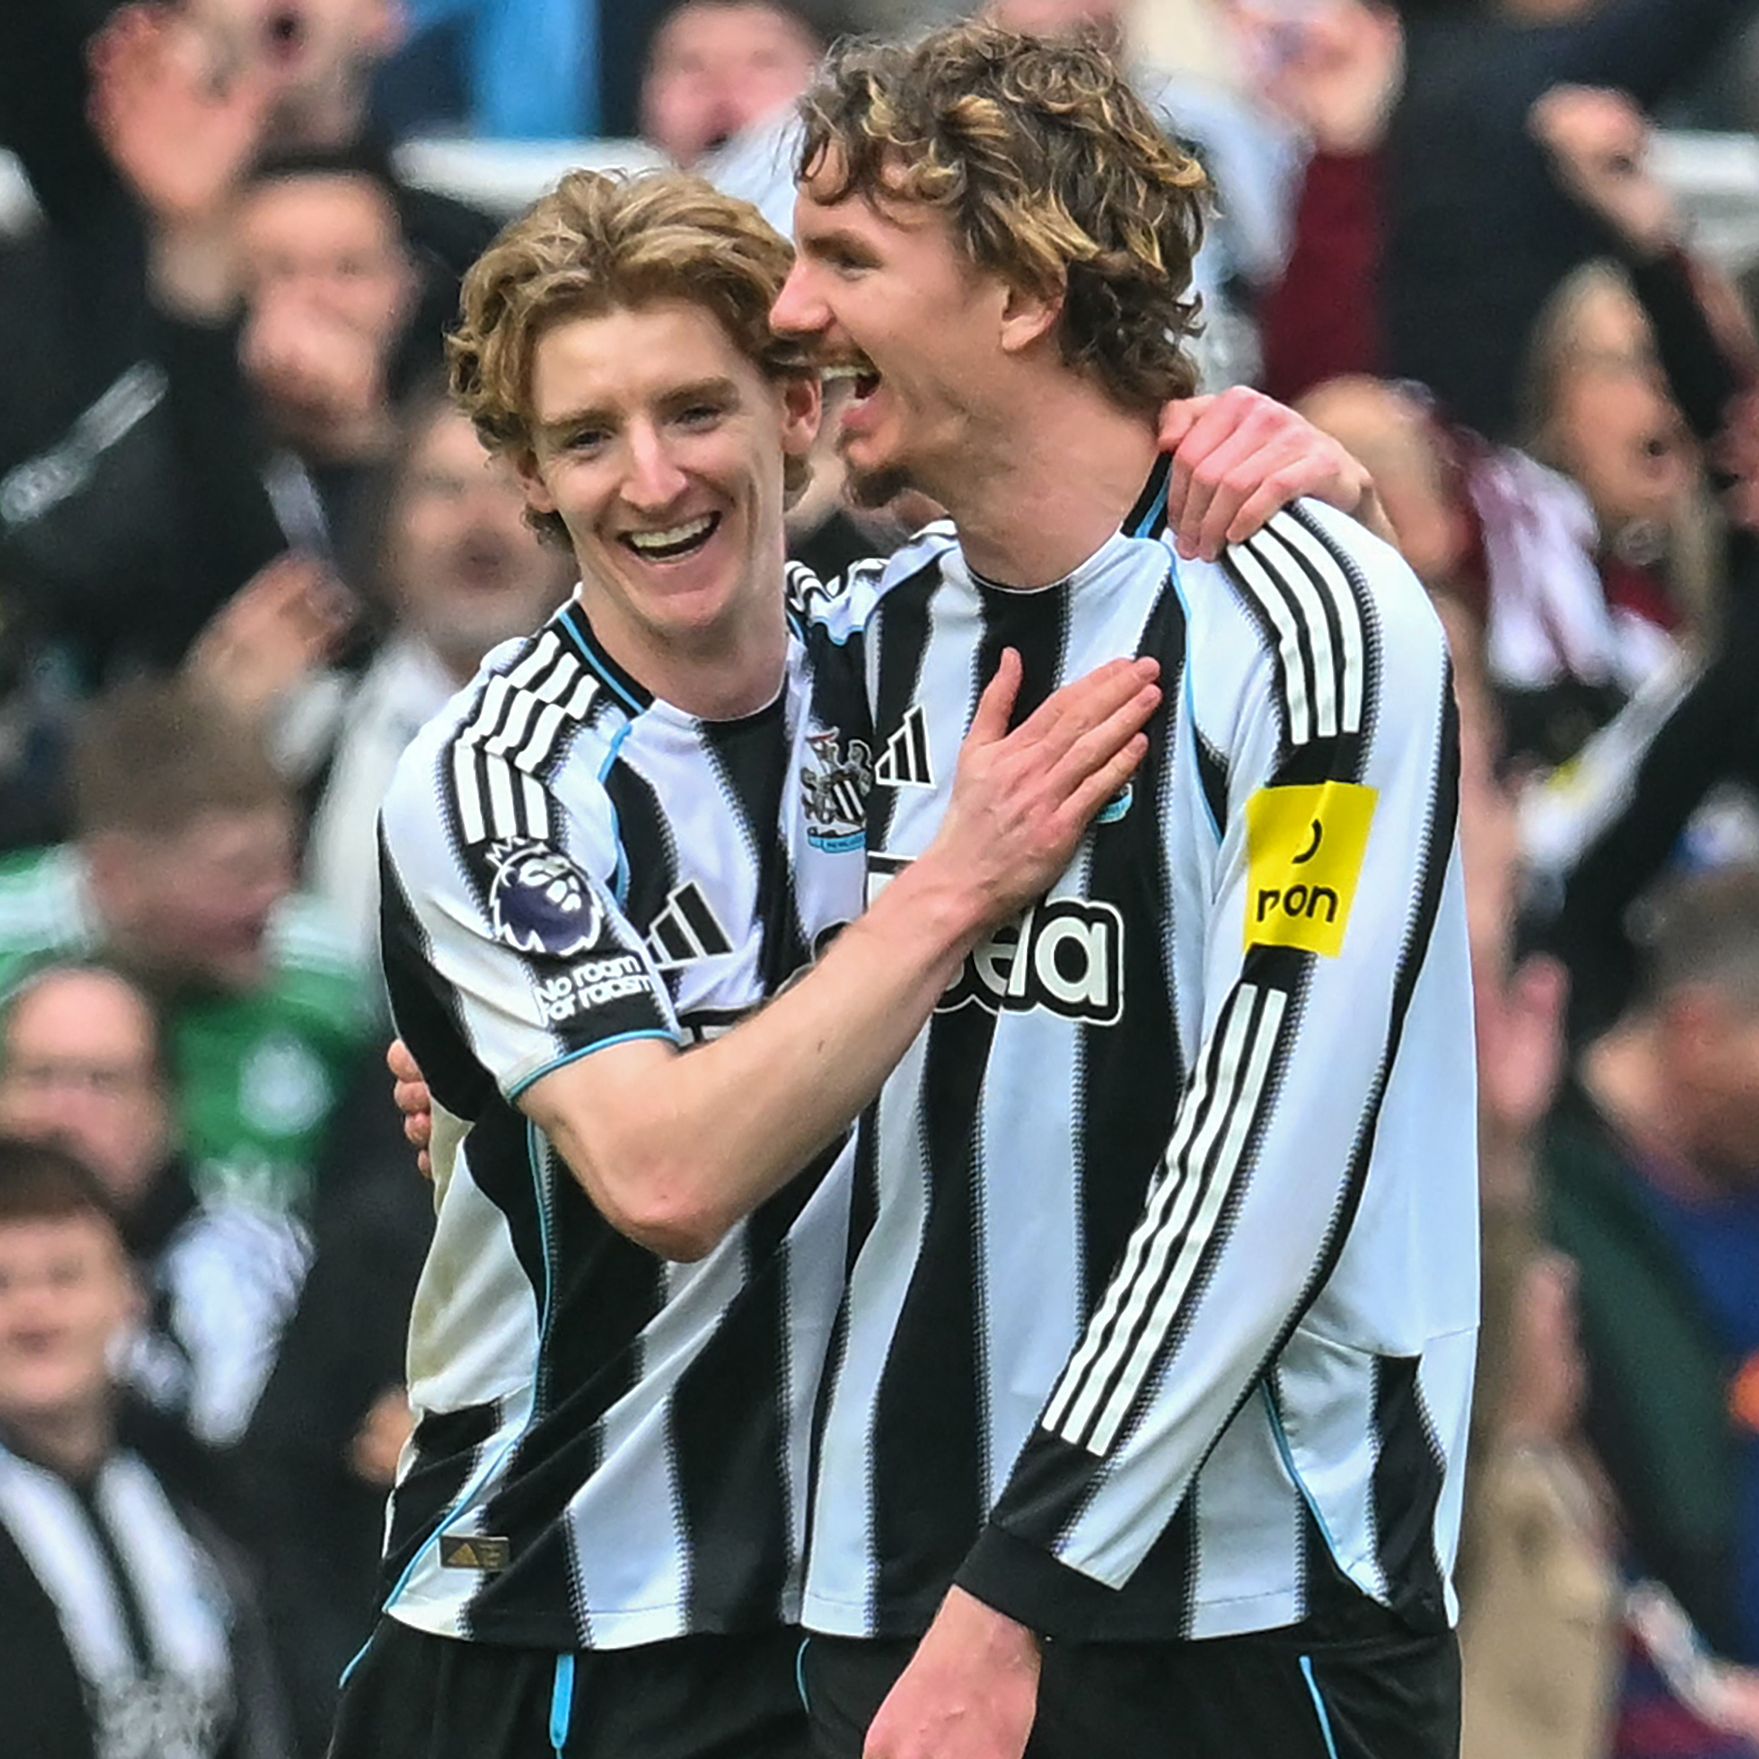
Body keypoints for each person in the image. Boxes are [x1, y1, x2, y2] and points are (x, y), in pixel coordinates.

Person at [349, 142, 1371, 1757]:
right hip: (553, 1625)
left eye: (694, 409)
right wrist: (947, 889)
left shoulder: (908, 652)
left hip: (851, 1615)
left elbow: (1136, 567)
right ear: (528, 478)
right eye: (585, 437)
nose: (650, 478)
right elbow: (665, 1173)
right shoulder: (495, 777)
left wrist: (1314, 487)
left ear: (797, 410)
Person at [751, 24, 1471, 1758]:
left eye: (845, 258)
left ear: (1019, 289)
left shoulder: (1310, 618)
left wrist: (1017, 1592)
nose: (791, 309)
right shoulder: (853, 646)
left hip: (1242, 1612)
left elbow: (1270, 1138)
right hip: (888, 1596)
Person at [0, 680, 373, 1223]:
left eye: (284, 863)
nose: (274, 899)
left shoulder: (326, 969)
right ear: (116, 876)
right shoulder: (9, 943)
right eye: (238, 872)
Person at [0, 1134, 292, 1759]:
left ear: (130, 1297)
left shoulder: (210, 1493)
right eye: (1, 1284)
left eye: (65, 1276)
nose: (33, 1312)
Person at [305, 388, 575, 960]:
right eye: (445, 489)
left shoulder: (642, 740)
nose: (480, 522)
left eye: (513, 488)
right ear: (386, 534)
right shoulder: (307, 734)